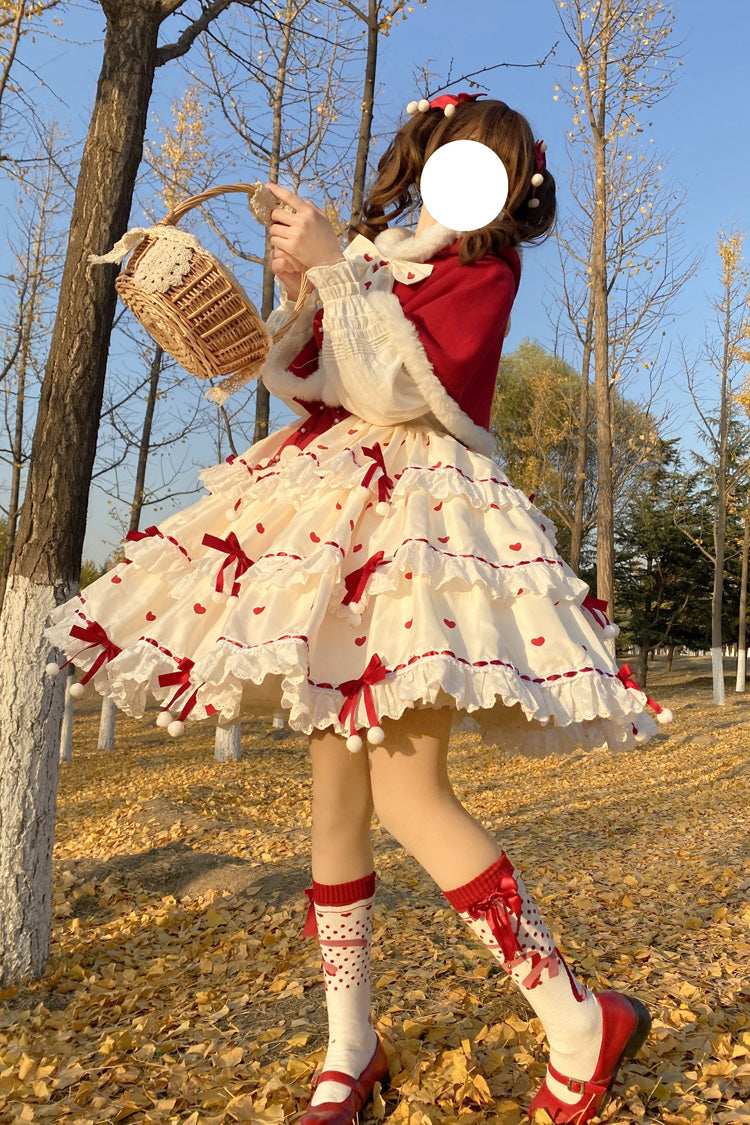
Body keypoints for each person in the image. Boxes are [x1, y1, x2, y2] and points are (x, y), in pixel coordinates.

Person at [44, 94, 660, 1125]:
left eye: (489, 163)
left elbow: (411, 395)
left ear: (512, 184)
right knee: (333, 804)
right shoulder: (381, 253)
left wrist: (336, 270)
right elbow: (313, 386)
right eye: (452, 152)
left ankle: (577, 1018)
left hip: (422, 536)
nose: (463, 175)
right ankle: (350, 1043)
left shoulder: (484, 268)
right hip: (335, 529)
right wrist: (306, 282)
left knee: (411, 794)